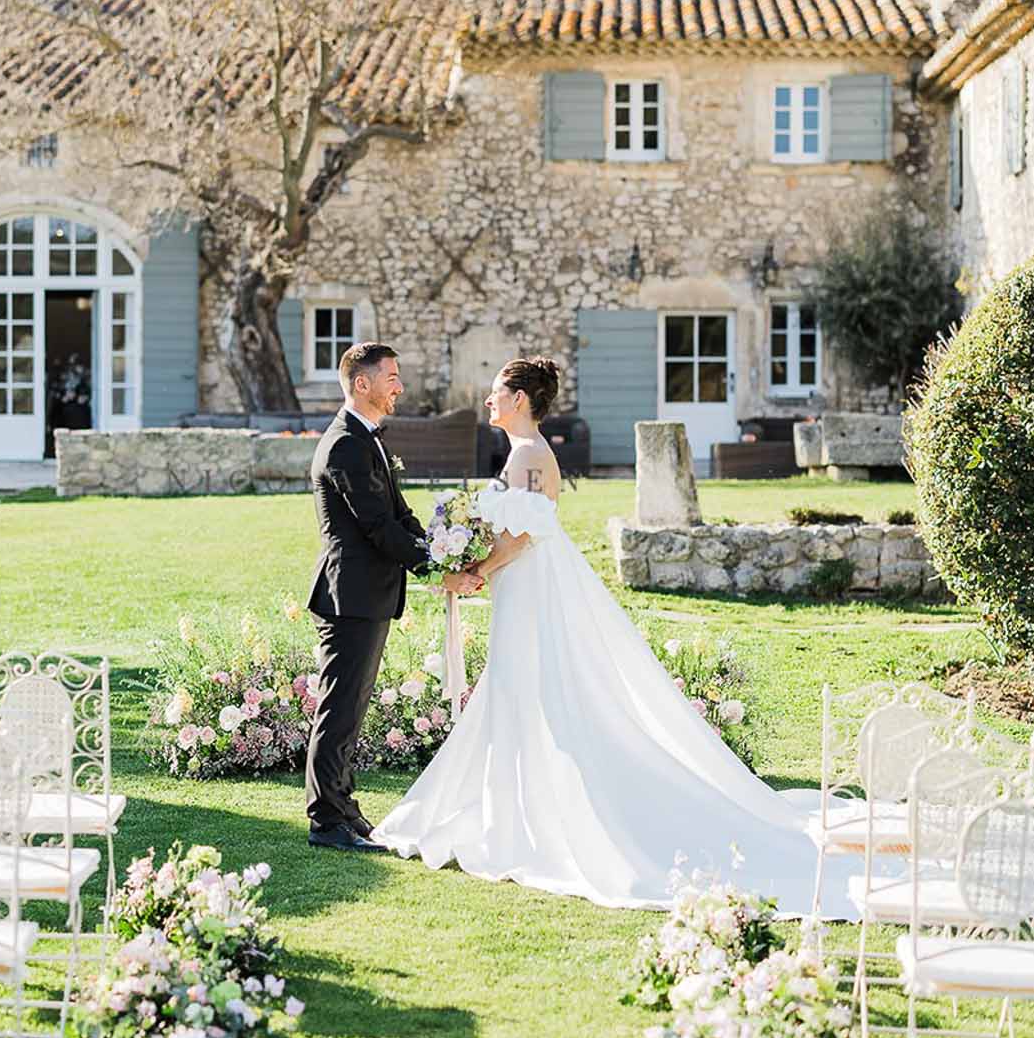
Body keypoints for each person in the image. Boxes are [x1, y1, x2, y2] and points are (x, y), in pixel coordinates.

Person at [375, 355, 819, 913]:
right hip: (520, 588)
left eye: (495, 393)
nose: (488, 401)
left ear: (518, 400)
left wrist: (476, 569)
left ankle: (537, 816)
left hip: (532, 589)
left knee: (533, 687)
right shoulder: (521, 454)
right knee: (515, 689)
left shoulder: (532, 456)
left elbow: (526, 535)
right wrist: (472, 553)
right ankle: (516, 807)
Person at [304, 342, 448, 852]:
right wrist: (436, 570)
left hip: (370, 595)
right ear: (361, 384)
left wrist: (443, 553)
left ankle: (344, 806)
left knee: (352, 708)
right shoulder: (344, 444)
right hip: (350, 597)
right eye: (391, 377)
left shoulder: (368, 440)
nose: (399, 386)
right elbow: (376, 527)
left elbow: (400, 515)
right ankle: (326, 821)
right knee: (339, 709)